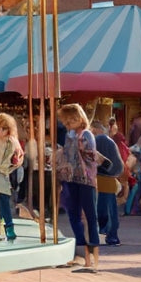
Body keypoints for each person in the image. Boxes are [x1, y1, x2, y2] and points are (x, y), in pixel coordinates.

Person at [56, 103, 102, 272]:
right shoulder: (69, 136)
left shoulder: (86, 135)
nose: (67, 125)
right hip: (71, 179)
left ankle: (93, 258)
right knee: (73, 215)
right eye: (65, 122)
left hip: (86, 180)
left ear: (78, 118)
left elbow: (90, 157)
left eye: (69, 121)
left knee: (90, 217)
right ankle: (82, 253)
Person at [0, 113, 23, 241]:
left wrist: (7, 167)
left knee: (3, 201)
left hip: (3, 173)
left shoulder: (11, 140)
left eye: (5, 128)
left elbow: (18, 158)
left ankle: (7, 227)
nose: (2, 131)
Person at [92, 120, 125, 246]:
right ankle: (111, 236)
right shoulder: (107, 142)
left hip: (100, 179)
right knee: (109, 211)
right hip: (108, 180)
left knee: (102, 210)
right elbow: (118, 167)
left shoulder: (99, 141)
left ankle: (105, 234)